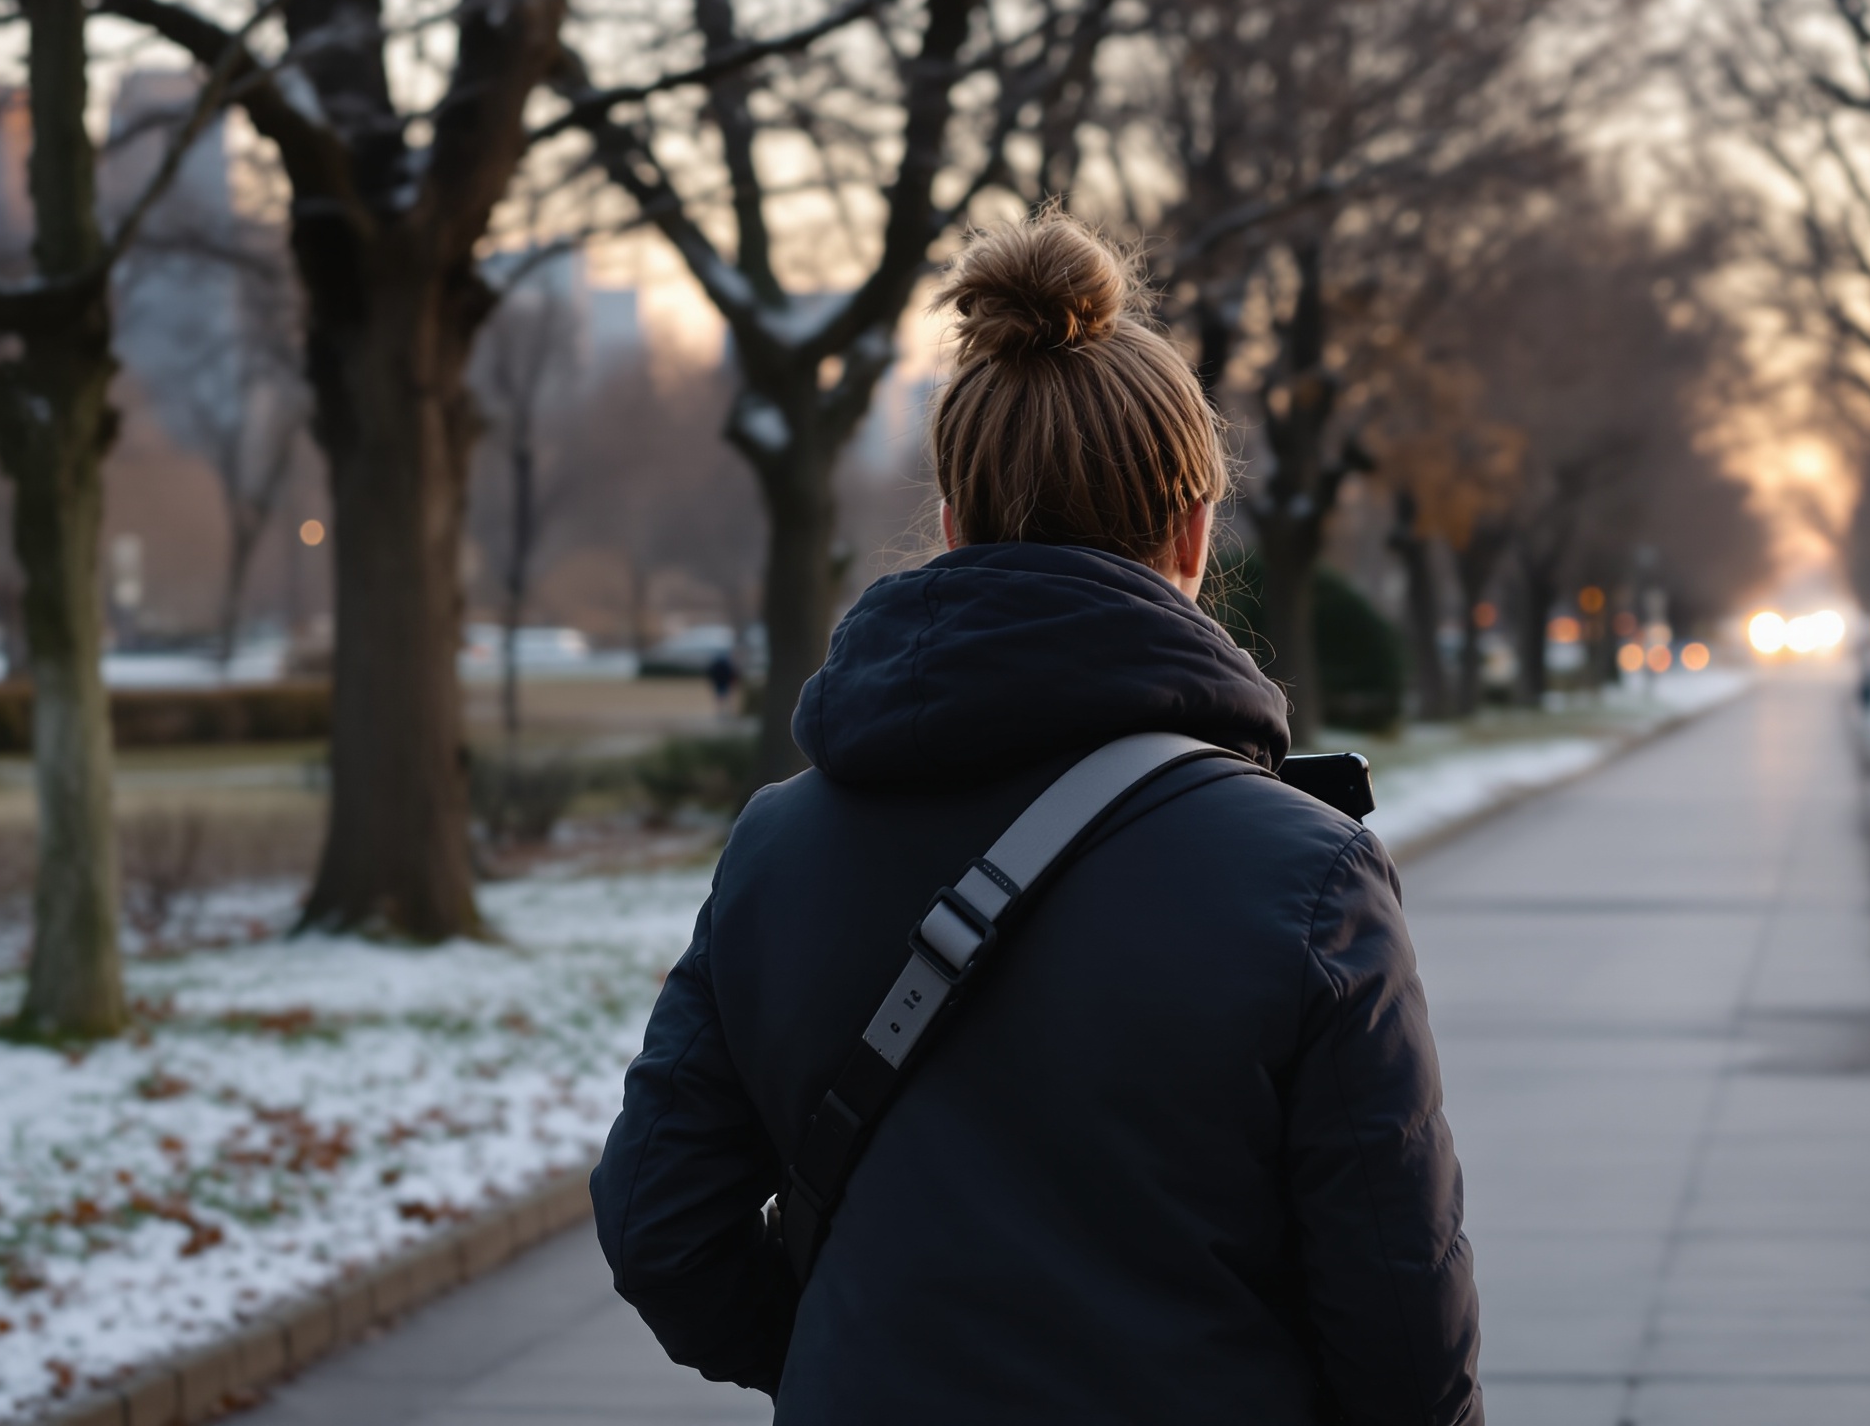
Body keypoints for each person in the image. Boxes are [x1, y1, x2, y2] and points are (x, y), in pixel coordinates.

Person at [591, 211, 1483, 1425]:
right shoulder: (1306, 872)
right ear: (1193, 530)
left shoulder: (778, 845)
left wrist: (847, 1360)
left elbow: (661, 1227)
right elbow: (1400, 1335)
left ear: (954, 521)